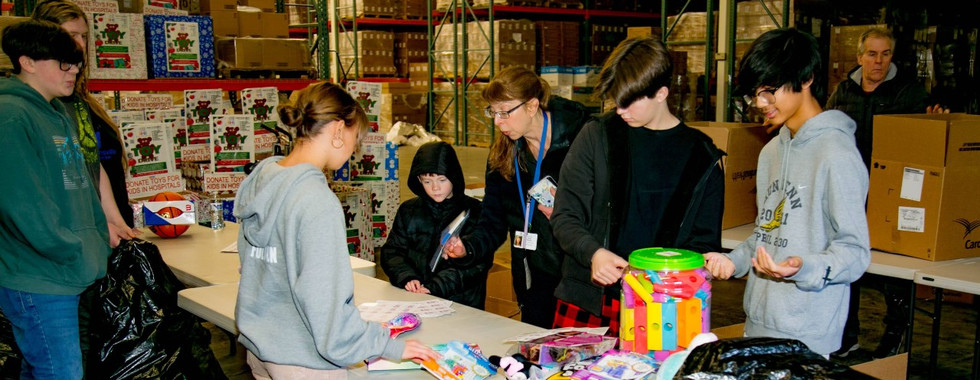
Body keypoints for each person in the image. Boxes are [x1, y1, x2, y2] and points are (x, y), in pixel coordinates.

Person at [233, 82, 436, 378]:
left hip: (262, 349)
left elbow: (255, 270)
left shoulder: (264, 179)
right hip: (305, 359)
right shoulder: (316, 200)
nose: (355, 150)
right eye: (357, 138)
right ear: (339, 130)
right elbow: (323, 301)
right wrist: (386, 346)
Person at [703, 28, 871, 357]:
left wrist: (803, 267)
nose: (761, 104)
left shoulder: (836, 153)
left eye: (770, 91)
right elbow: (765, 234)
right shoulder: (771, 152)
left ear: (806, 78)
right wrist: (731, 260)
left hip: (809, 333)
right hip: (758, 320)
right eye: (755, 94)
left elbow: (855, 254)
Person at [550, 36, 725, 335]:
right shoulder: (597, 136)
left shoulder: (703, 157)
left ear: (661, 93)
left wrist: (695, 269)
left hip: (665, 306)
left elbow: (704, 243)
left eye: (629, 101)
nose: (620, 110)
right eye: (616, 100)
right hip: (592, 301)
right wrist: (594, 253)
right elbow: (565, 215)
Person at [0, 19, 112, 380]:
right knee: (59, 372)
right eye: (63, 63)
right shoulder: (11, 116)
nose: (74, 72)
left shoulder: (57, 112)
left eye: (77, 63)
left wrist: (94, 240)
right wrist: (69, 247)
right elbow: (20, 202)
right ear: (27, 62)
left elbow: (81, 186)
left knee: (47, 369)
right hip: (39, 275)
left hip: (65, 269)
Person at [443, 66, 590, 328]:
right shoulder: (502, 156)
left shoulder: (583, 139)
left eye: (504, 112)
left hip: (580, 276)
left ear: (532, 106)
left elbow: (607, 211)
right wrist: (468, 247)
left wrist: (569, 215)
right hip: (534, 276)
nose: (497, 122)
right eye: (493, 112)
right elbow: (492, 221)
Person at [825, 27, 936, 359]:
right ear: (860, 57)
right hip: (850, 188)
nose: (878, 61)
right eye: (872, 54)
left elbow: (921, 139)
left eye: (885, 54)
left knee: (893, 271)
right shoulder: (843, 91)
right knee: (847, 259)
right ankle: (847, 335)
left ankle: (894, 334)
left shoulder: (910, 93)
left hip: (892, 191)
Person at [32, 0, 139, 247]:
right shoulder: (41, 107)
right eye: (71, 35)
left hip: (108, 231)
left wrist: (117, 222)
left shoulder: (81, 101)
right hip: (79, 238)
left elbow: (93, 163)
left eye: (84, 36)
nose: (80, 44)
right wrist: (101, 223)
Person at [380, 141, 489, 309]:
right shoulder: (409, 210)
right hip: (415, 300)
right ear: (418, 180)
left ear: (454, 176)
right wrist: (407, 277)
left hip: (460, 304)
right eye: (427, 181)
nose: (435, 188)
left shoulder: (475, 212)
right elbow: (393, 251)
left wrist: (433, 288)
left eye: (442, 180)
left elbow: (476, 264)